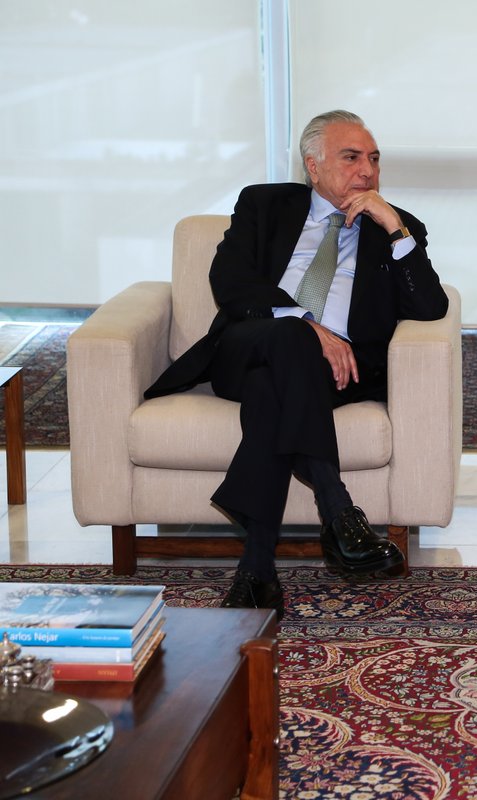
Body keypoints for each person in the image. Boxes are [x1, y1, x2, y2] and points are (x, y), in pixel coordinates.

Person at [145, 110, 449, 615]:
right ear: (313, 164)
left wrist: (393, 226)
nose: (367, 171)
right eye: (351, 157)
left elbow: (430, 308)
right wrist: (308, 325)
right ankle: (338, 509)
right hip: (248, 348)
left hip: (336, 374)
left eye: (373, 159)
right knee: (288, 340)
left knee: (274, 392)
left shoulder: (397, 228)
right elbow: (231, 281)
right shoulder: (264, 204)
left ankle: (257, 570)